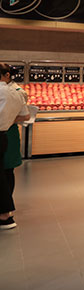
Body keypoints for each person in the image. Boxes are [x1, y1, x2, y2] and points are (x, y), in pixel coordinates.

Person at [0, 63, 30, 230]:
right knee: (6, 172)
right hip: (5, 134)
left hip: (6, 133)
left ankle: (5, 214)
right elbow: (25, 114)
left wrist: (8, 119)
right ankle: (5, 212)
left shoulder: (12, 91)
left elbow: (24, 115)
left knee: (5, 173)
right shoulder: (15, 92)